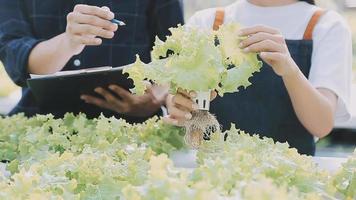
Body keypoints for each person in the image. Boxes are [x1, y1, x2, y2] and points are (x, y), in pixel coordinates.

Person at [164, 0, 352, 155]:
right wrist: (180, 106)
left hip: (286, 181)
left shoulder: (326, 25)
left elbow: (321, 125)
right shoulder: (206, 21)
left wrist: (290, 70)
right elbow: (178, 101)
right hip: (213, 177)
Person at [0, 0, 184, 123]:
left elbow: (175, 58)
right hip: (39, 125)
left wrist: (156, 98)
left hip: (133, 132)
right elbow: (19, 62)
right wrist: (69, 41)